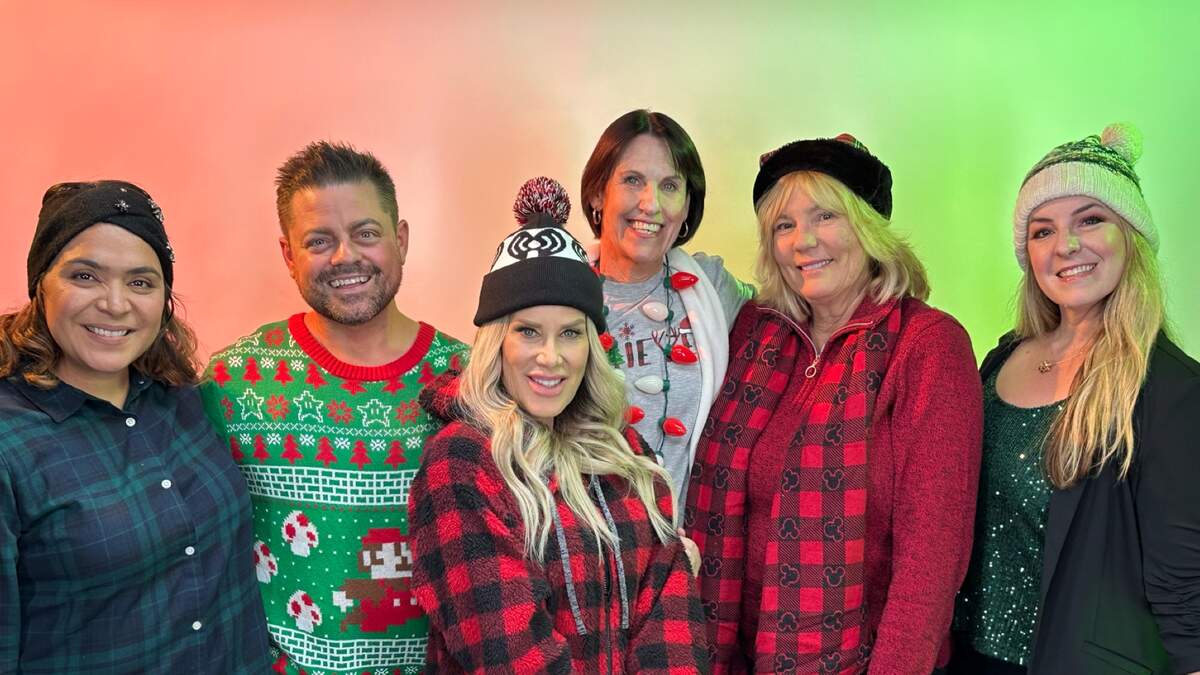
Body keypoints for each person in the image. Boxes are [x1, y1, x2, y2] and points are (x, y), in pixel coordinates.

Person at [685, 134, 983, 673]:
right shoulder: (756, 332)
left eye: (825, 216)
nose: (803, 241)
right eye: (783, 225)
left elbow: (933, 554)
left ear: (868, 228)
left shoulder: (927, 345)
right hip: (729, 655)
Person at [409, 177, 707, 673]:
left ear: (591, 345)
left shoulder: (625, 451)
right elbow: (510, 657)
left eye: (570, 333)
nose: (551, 357)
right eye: (528, 331)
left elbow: (672, 622)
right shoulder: (462, 462)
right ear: (497, 343)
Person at [199, 142, 468, 675]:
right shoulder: (232, 382)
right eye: (319, 241)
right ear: (288, 255)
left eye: (365, 233)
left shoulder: (471, 379)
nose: (345, 256)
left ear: (401, 240)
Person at [951, 123, 1200, 675]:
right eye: (1043, 231)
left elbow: (1186, 584)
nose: (1065, 246)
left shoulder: (1171, 389)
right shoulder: (1000, 360)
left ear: (1130, 236)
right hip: (967, 658)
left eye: (1090, 220)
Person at [0, 181, 271, 673]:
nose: (115, 304)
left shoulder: (184, 399)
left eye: (141, 282)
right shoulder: (9, 441)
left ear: (164, 299)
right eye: (85, 276)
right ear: (40, 285)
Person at [581, 110, 753, 505]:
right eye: (632, 180)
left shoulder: (711, 286)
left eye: (670, 186)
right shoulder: (556, 289)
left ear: (688, 204)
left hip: (689, 539)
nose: (651, 204)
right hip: (582, 536)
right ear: (597, 193)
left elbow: (801, 306)